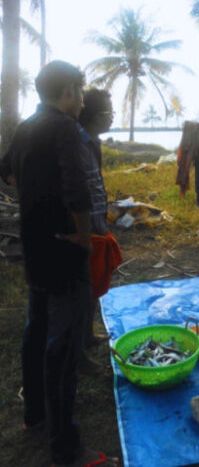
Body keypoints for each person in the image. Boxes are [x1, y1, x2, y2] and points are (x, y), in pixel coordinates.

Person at [0, 61, 118, 467]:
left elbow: (6, 173)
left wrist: (36, 200)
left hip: (35, 247)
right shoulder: (65, 127)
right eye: (80, 93)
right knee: (62, 347)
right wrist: (84, 235)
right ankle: (65, 447)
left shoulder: (27, 125)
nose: (83, 101)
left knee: (36, 331)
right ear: (67, 92)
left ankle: (34, 416)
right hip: (66, 247)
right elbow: (76, 188)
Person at [78, 89, 123, 350]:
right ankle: (77, 347)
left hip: (96, 222)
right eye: (108, 113)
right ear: (93, 116)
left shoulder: (93, 142)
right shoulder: (74, 143)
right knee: (81, 288)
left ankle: (87, 334)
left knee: (93, 284)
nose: (112, 118)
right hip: (81, 226)